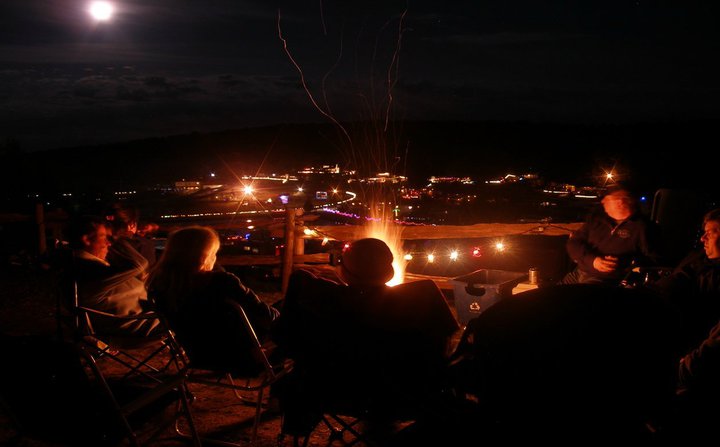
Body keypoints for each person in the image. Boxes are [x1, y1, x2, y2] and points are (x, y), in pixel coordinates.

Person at [273, 237, 460, 438]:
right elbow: (443, 346)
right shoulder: (424, 297)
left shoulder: (322, 301)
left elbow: (287, 341)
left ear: (344, 271)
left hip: (334, 392)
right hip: (409, 395)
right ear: (389, 271)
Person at [146, 226, 279, 373]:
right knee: (299, 285)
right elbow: (268, 317)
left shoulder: (159, 286)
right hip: (246, 356)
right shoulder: (222, 282)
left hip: (202, 357)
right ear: (206, 255)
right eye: (214, 253)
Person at [67, 215, 160, 336]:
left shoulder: (93, 265)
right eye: (105, 236)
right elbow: (139, 265)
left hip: (148, 315)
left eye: (110, 238)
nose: (109, 243)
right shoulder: (87, 270)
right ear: (87, 240)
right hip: (139, 325)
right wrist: (118, 236)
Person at [560, 183, 662, 285]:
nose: (602, 201)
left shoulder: (642, 228)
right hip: (579, 272)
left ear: (620, 202)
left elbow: (656, 259)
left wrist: (625, 264)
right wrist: (593, 260)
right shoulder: (598, 220)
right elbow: (573, 243)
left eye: (607, 199)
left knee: (577, 299)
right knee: (551, 294)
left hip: (604, 279)